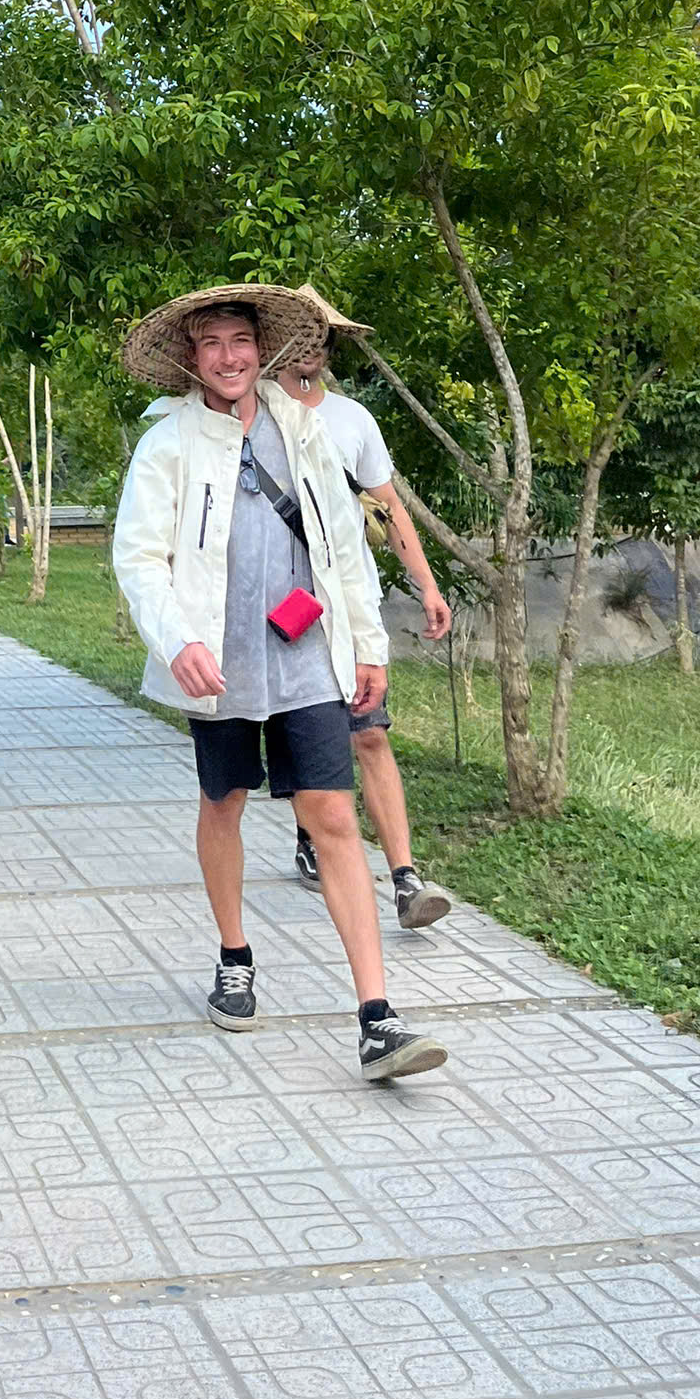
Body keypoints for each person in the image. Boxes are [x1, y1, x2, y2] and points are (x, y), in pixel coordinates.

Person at [111, 286, 449, 1083]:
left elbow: (341, 553)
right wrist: (177, 639)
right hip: (218, 658)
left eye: (240, 340)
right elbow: (138, 557)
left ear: (262, 348)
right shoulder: (167, 441)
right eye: (212, 343)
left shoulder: (304, 428)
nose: (229, 356)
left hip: (307, 652)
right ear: (191, 357)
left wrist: (368, 644)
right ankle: (234, 952)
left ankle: (377, 1016)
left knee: (332, 814)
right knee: (223, 803)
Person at [279, 286, 454, 930]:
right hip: (284, 607)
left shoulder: (353, 420)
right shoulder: (255, 413)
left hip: (348, 605)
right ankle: (313, 833)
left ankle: (405, 878)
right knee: (301, 737)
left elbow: (388, 509)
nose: (312, 349)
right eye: (299, 336)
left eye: (322, 339)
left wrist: (428, 586)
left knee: (371, 732)